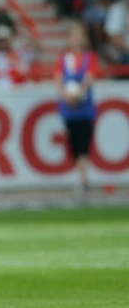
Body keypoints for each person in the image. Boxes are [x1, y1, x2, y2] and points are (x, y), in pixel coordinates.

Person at [54, 23, 98, 199]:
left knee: (83, 142)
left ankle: (83, 179)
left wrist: (77, 94)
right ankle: (81, 178)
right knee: (73, 143)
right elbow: (57, 78)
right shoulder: (64, 58)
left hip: (84, 107)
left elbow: (89, 77)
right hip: (68, 108)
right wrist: (66, 95)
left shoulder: (89, 57)